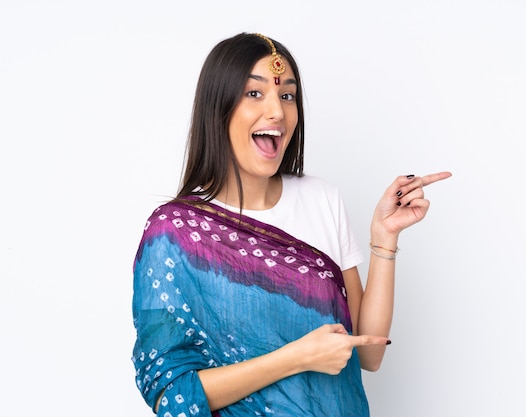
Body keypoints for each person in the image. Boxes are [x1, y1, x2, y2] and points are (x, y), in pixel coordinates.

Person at [131, 32, 451, 417]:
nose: (278, 112)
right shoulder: (175, 233)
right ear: (218, 108)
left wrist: (384, 240)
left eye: (287, 96)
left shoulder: (322, 199)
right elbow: (171, 395)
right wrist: (295, 358)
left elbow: (368, 354)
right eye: (254, 94)